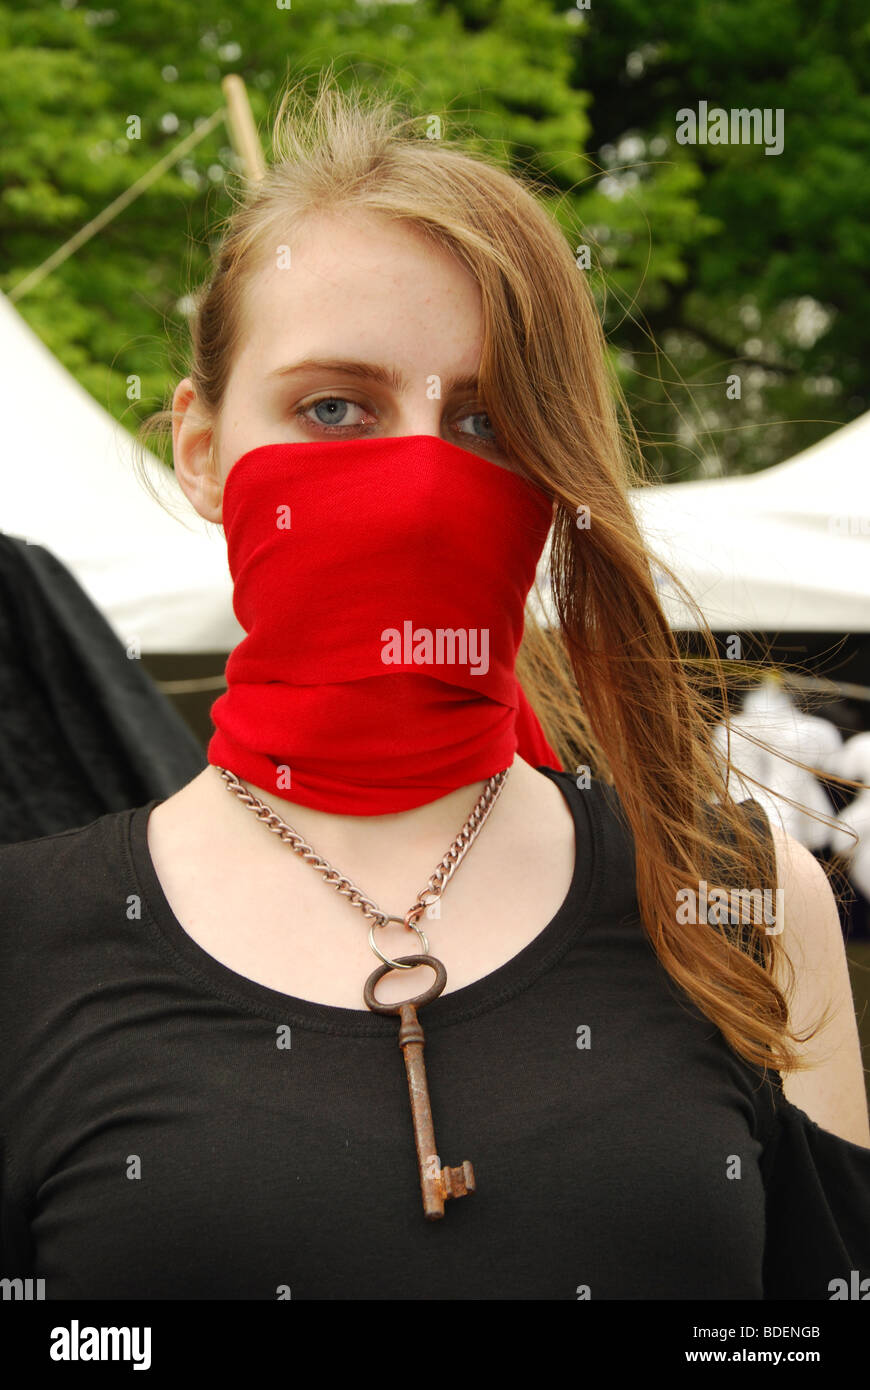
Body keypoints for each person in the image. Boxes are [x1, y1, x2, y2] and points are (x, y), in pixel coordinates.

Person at [1, 72, 868, 1301]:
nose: (415, 480)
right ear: (201, 450)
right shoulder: (23, 940)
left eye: (486, 421)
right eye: (335, 406)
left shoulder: (744, 899)